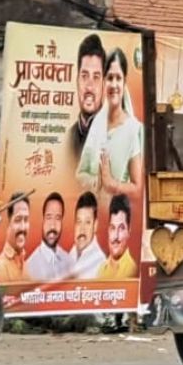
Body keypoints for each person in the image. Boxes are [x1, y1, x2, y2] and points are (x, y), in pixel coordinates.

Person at [76, 47, 143, 199]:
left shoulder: (132, 129)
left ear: (124, 81)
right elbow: (80, 173)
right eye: (110, 78)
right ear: (104, 81)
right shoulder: (97, 122)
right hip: (92, 214)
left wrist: (111, 184)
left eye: (118, 78)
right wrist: (96, 181)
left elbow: (137, 188)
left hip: (117, 217)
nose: (114, 85)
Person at [68, 34, 106, 164]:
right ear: (77, 80)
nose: (89, 87)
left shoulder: (114, 135)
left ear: (104, 84)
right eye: (84, 76)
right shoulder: (68, 138)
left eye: (96, 77)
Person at [25, 192, 73, 280]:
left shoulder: (69, 262)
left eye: (58, 218)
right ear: (42, 220)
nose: (53, 226)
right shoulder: (29, 268)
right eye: (49, 217)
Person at [0, 193, 31, 283]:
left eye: (26, 220)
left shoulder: (25, 265)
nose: (23, 227)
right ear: (8, 224)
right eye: (17, 220)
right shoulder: (1, 269)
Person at [97, 193, 137, 279]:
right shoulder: (101, 270)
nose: (116, 236)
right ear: (108, 230)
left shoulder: (131, 270)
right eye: (113, 228)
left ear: (129, 230)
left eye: (121, 228)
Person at [70, 191, 106, 279]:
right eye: (79, 222)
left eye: (87, 222)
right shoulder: (71, 253)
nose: (82, 229)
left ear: (95, 225)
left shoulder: (100, 263)